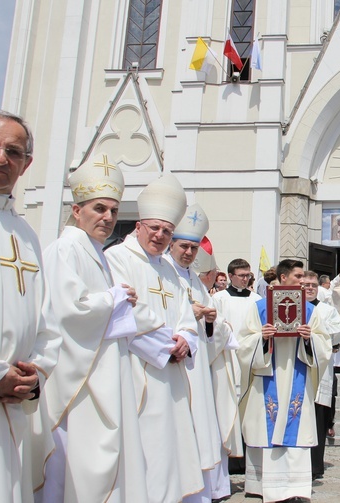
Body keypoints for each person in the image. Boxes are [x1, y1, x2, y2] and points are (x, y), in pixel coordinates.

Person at [40, 153, 147, 502]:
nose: (108, 217)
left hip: (101, 368)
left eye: (114, 211)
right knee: (71, 463)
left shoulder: (96, 250)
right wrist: (113, 298)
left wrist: (118, 300)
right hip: (78, 376)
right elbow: (68, 310)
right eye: (99, 208)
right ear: (76, 210)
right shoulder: (65, 249)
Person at [0, 109, 60, 502]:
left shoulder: (26, 233)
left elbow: (46, 322)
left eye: (14, 151)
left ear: (26, 165)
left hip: (11, 405)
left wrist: (34, 375)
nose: (0, 158)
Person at [105, 174, 205, 502]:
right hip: (136, 369)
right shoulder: (116, 259)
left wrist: (186, 339)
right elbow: (125, 311)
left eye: (167, 231)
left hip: (171, 373)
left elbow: (185, 314)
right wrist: (168, 345)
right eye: (154, 228)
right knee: (144, 450)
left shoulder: (167, 269)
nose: (160, 236)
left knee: (170, 449)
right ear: (138, 226)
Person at [237, 259, 332, 502]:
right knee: (266, 425)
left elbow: (324, 345)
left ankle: (295, 488)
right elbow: (244, 344)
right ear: (282, 278)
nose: (303, 281)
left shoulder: (310, 310)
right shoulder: (259, 308)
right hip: (268, 377)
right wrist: (262, 338)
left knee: (296, 428)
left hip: (298, 375)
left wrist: (311, 339)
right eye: (298, 276)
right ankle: (261, 485)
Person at [165, 204, 231, 502]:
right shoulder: (162, 273)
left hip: (197, 365)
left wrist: (208, 320)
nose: (189, 253)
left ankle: (203, 491)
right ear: (171, 244)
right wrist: (188, 314)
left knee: (201, 426)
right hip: (173, 364)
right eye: (184, 246)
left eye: (193, 248)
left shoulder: (194, 279)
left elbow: (209, 330)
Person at [211, 258, 261, 476]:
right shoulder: (219, 299)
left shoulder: (257, 299)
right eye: (241, 275)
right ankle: (229, 459)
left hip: (251, 359)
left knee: (249, 408)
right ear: (230, 276)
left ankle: (248, 461)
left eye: (248, 275)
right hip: (228, 358)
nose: (245, 278)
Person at [302, 271, 340, 480]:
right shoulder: (292, 307)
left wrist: (316, 335)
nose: (309, 288)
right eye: (305, 284)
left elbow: (338, 333)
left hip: (320, 371)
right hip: (297, 372)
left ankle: (314, 466)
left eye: (312, 284)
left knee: (318, 419)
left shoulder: (327, 310)